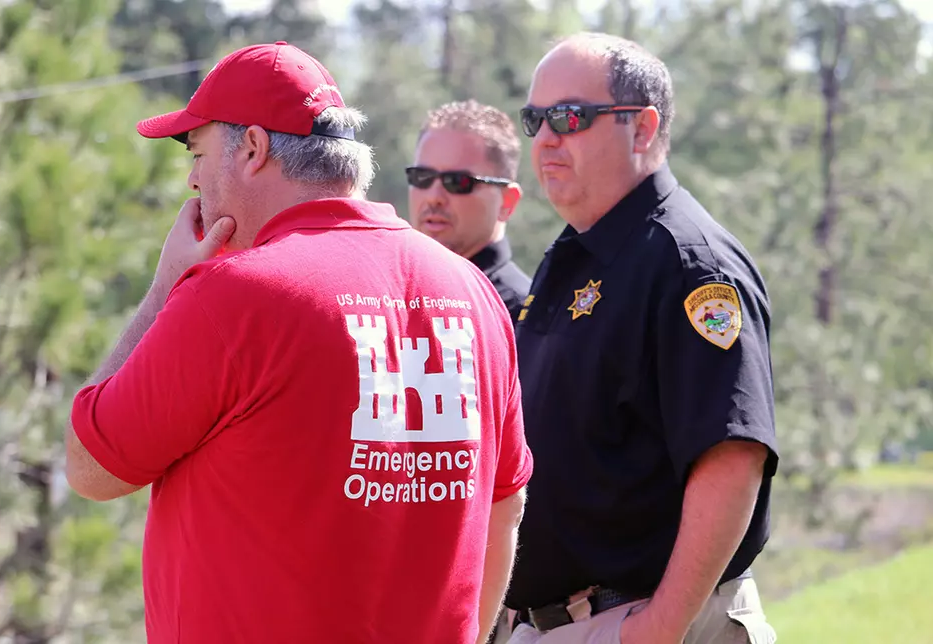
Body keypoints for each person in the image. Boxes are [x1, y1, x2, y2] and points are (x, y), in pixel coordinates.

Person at [64, 41, 532, 644]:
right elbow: (504, 505)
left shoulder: (231, 296)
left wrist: (163, 290)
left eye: (198, 151)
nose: (192, 177)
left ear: (253, 149)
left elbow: (91, 467)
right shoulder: (471, 290)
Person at [503, 32, 779, 644]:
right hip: (564, 623)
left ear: (643, 128)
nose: (546, 137)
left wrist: (659, 627)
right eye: (535, 119)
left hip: (649, 620)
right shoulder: (579, 253)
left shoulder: (690, 265)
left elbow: (731, 457)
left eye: (570, 116)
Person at [408, 99, 532, 319]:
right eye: (422, 178)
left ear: (507, 201)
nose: (434, 197)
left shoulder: (522, 316)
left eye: (457, 182)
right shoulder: (393, 301)